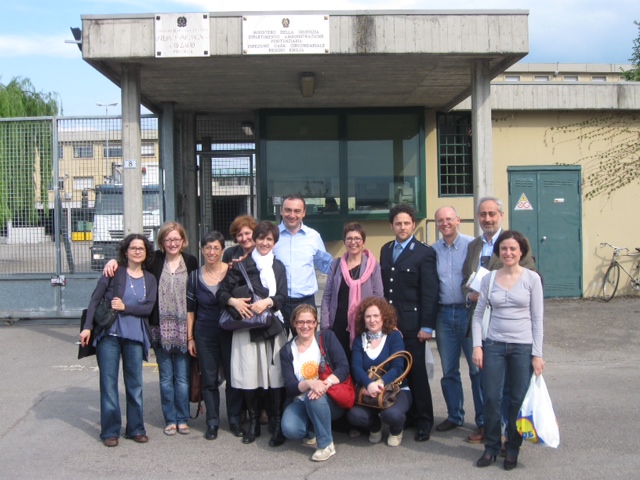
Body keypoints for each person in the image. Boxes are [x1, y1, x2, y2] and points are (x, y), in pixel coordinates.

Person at [104, 222, 198, 436]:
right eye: (168, 239)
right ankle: (170, 419)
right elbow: (132, 262)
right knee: (166, 376)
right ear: (162, 242)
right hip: (160, 327)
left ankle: (183, 418)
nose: (172, 243)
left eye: (176, 239)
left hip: (184, 326)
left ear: (183, 241)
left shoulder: (191, 261)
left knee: (182, 377)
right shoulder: (155, 259)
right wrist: (113, 261)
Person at [462, 196, 535, 444]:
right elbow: (465, 280)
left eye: (492, 214)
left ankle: (508, 432)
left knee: (508, 388)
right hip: (481, 321)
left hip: (511, 327)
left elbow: (531, 278)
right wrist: (471, 293)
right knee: (483, 381)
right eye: (483, 214)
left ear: (501, 216)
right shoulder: (473, 246)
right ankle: (486, 426)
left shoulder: (514, 243)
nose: (487, 219)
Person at [472, 230, 544, 471]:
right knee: (491, 398)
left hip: (522, 347)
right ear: (498, 252)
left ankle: (512, 448)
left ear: (521, 251)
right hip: (493, 345)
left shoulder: (532, 279)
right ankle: (491, 447)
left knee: (516, 400)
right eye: (504, 249)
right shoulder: (489, 279)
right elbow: (478, 314)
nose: (508, 253)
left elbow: (538, 319)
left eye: (513, 249)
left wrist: (537, 354)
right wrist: (477, 346)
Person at [79, 234, 157, 447]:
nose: (137, 251)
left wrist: (125, 307)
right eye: (133, 248)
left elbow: (148, 308)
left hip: (134, 337)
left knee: (135, 385)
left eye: (141, 248)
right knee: (109, 384)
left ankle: (136, 429)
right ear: (125, 251)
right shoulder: (114, 271)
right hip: (110, 336)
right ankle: (110, 431)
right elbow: (95, 299)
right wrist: (87, 327)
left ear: (146, 252)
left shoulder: (150, 279)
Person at [217, 220, 289, 446]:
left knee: (275, 377)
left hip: (272, 327)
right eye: (261, 238)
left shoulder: (278, 267)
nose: (265, 243)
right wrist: (234, 302)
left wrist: (267, 302)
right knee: (250, 376)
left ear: (275, 242)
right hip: (247, 328)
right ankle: (255, 424)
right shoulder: (240, 264)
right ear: (255, 240)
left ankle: (276, 425)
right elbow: (221, 293)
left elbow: (283, 297)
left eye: (269, 239)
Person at [380, 203, 439, 442]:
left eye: (406, 223)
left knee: (416, 373)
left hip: (414, 324)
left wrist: (427, 326)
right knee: (396, 373)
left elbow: (430, 292)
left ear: (413, 225)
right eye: (398, 223)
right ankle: (407, 414)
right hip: (390, 325)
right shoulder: (385, 249)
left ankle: (424, 420)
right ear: (392, 225)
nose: (402, 227)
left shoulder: (424, 252)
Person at [187, 231, 244, 440]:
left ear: (222, 250)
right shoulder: (194, 276)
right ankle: (212, 422)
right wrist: (190, 338)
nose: (212, 252)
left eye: (216, 248)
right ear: (202, 250)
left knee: (233, 377)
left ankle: (235, 420)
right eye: (208, 248)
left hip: (230, 331)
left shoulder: (232, 272)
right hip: (204, 333)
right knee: (209, 380)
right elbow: (190, 309)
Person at [432, 207, 483, 436]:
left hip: (469, 312)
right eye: (440, 220)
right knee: (449, 369)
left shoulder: (474, 246)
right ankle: (455, 415)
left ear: (458, 220)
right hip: (444, 315)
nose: (445, 223)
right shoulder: (432, 250)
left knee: (477, 369)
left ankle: (483, 419)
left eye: (449, 219)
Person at [280, 304, 350, 462]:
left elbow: (343, 367)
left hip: (330, 399)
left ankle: (326, 444)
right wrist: (310, 383)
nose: (305, 326)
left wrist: (323, 385)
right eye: (300, 322)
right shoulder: (286, 350)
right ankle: (312, 429)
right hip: (301, 399)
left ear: (316, 323)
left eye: (310, 322)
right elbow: (290, 387)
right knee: (290, 429)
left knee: (315, 397)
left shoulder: (326, 337)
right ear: (294, 323)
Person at [347, 297, 412, 447]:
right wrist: (369, 384)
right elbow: (356, 367)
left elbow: (397, 367)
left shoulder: (394, 337)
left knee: (392, 415)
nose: (372, 320)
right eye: (368, 316)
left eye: (376, 316)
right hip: (368, 390)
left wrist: (380, 383)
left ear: (384, 317)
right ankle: (375, 428)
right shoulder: (359, 340)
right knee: (354, 415)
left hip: (395, 389)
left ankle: (396, 430)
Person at [320, 222, 384, 356]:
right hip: (339, 325)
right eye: (349, 238)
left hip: (364, 325)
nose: (353, 242)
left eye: (357, 238)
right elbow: (327, 296)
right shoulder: (336, 264)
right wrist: (325, 325)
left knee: (361, 366)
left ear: (363, 242)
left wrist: (378, 323)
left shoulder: (373, 266)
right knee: (340, 366)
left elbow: (378, 296)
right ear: (344, 242)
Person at [273, 194, 333, 333]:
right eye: (288, 210)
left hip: (305, 304)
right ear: (281, 211)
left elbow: (326, 266)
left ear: (304, 213)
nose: (292, 215)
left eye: (297, 211)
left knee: (305, 350)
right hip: (278, 303)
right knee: (278, 351)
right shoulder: (272, 236)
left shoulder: (313, 237)